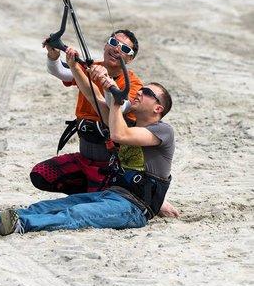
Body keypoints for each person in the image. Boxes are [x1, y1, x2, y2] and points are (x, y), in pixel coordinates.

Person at [0, 51, 175, 235]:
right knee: (44, 207)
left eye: (147, 92)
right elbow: (94, 97)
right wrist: (74, 66)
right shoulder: (129, 124)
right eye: (140, 89)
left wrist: (114, 92)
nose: (139, 92)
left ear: (157, 108)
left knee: (75, 214)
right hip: (110, 194)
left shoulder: (163, 131)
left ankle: (20, 225)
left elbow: (118, 135)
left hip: (132, 209)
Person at [32, 31, 179, 217]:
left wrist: (108, 84)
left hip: (108, 163)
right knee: (41, 174)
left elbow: (120, 105)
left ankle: (146, 197)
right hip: (85, 156)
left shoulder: (134, 86)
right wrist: (54, 55)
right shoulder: (93, 67)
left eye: (125, 48)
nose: (117, 48)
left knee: (89, 205)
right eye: (113, 42)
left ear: (130, 59)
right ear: (105, 45)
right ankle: (92, 191)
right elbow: (62, 72)